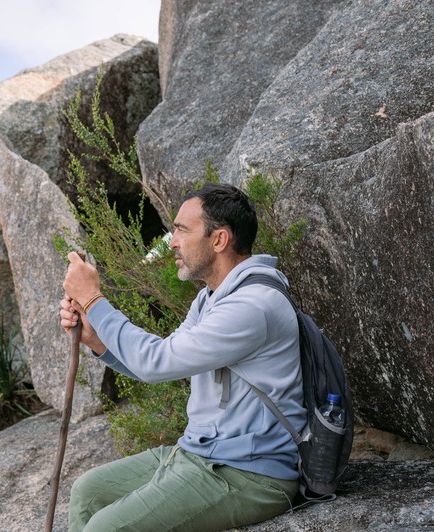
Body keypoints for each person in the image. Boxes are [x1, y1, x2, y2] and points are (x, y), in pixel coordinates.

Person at [59, 183, 306, 531]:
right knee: (88, 492)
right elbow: (161, 363)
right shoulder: (211, 298)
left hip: (249, 473)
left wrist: (93, 301)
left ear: (219, 240)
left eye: (181, 230)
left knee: (106, 528)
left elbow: (155, 362)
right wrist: (98, 341)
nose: (171, 241)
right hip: (202, 454)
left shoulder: (252, 306)